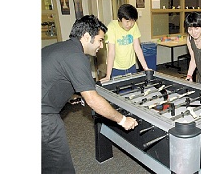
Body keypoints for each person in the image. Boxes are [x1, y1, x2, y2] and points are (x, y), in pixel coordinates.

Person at [42, 15, 138, 174]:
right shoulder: (76, 56)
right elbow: (92, 100)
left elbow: (51, 79)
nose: (102, 45)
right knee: (59, 167)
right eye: (100, 40)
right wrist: (123, 120)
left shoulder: (62, 48)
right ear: (87, 37)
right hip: (43, 116)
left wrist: (72, 97)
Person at [101, 3, 150, 81]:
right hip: (116, 68)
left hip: (131, 66)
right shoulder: (111, 28)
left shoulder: (134, 26)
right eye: (127, 21)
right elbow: (111, 52)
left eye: (133, 21)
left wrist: (146, 68)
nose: (130, 24)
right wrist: (108, 75)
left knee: (133, 90)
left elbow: (137, 48)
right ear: (119, 19)